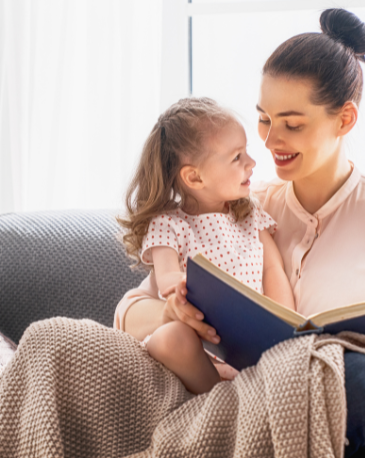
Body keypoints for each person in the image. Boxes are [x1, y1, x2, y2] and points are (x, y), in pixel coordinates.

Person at [114, 8, 365, 458]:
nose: (270, 140)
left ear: (345, 119)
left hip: (352, 404)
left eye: (292, 124)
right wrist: (170, 315)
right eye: (264, 118)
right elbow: (129, 311)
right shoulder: (237, 207)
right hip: (245, 397)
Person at [116, 97, 296, 395]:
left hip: (248, 346)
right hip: (199, 343)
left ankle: (234, 396)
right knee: (171, 337)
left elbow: (272, 267)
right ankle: (221, 404)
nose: (251, 162)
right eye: (237, 157)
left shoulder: (249, 216)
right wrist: (180, 291)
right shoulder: (170, 224)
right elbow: (168, 279)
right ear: (194, 177)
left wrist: (285, 326)